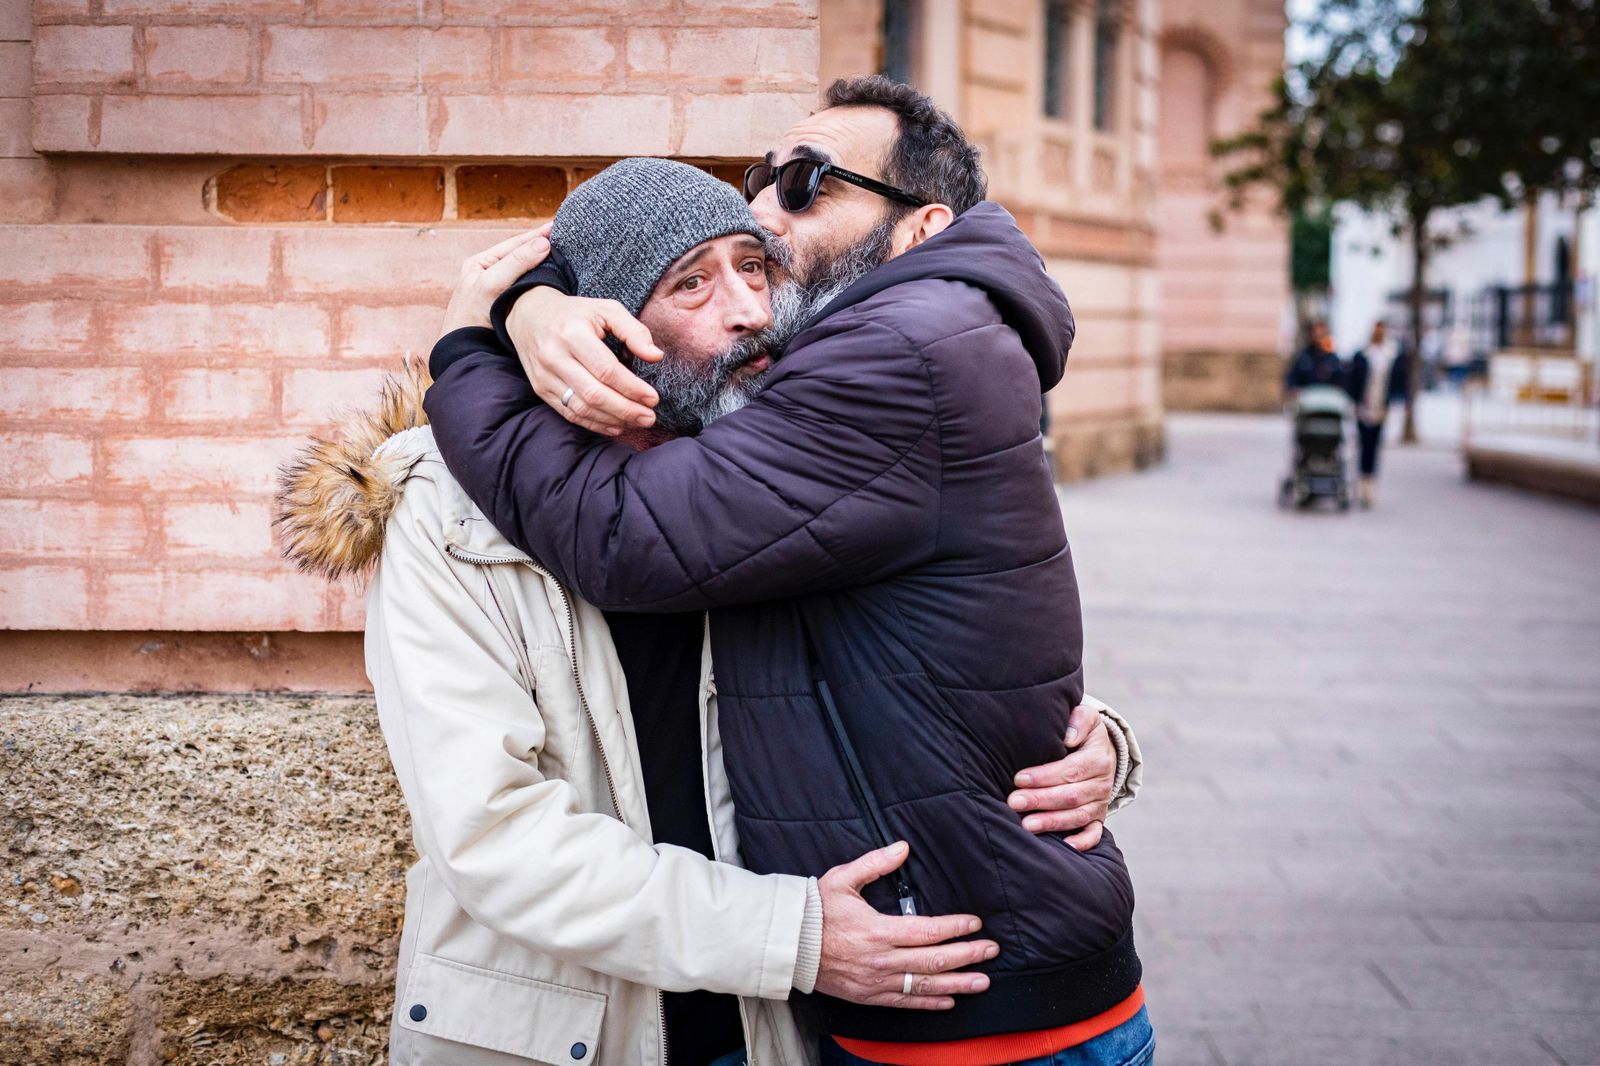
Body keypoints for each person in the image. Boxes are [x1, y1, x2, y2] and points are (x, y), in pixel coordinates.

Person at [276, 175, 1143, 1064]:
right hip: (570, 1030)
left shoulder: (763, 466)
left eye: (756, 268)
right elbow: (494, 834)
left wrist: (1079, 739)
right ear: (606, 324)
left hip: (771, 1029)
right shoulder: (443, 510)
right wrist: (792, 936)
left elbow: (928, 643)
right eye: (692, 282)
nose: (749, 312)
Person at [1345, 320, 1402, 508]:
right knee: (1363, 446)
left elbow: (1396, 384)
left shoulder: (1389, 356)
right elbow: (1352, 381)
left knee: (1374, 449)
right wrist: (1354, 403)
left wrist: (1390, 405)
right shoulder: (1362, 355)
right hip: (1363, 408)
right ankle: (1360, 486)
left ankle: (1370, 487)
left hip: (1380, 410)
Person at [1284, 319, 1345, 396]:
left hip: (1329, 401)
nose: (1318, 336)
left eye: (1321, 334)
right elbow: (1291, 379)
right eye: (1315, 333)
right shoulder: (1302, 358)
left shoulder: (1333, 360)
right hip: (1306, 401)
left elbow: (1342, 382)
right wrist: (1293, 389)